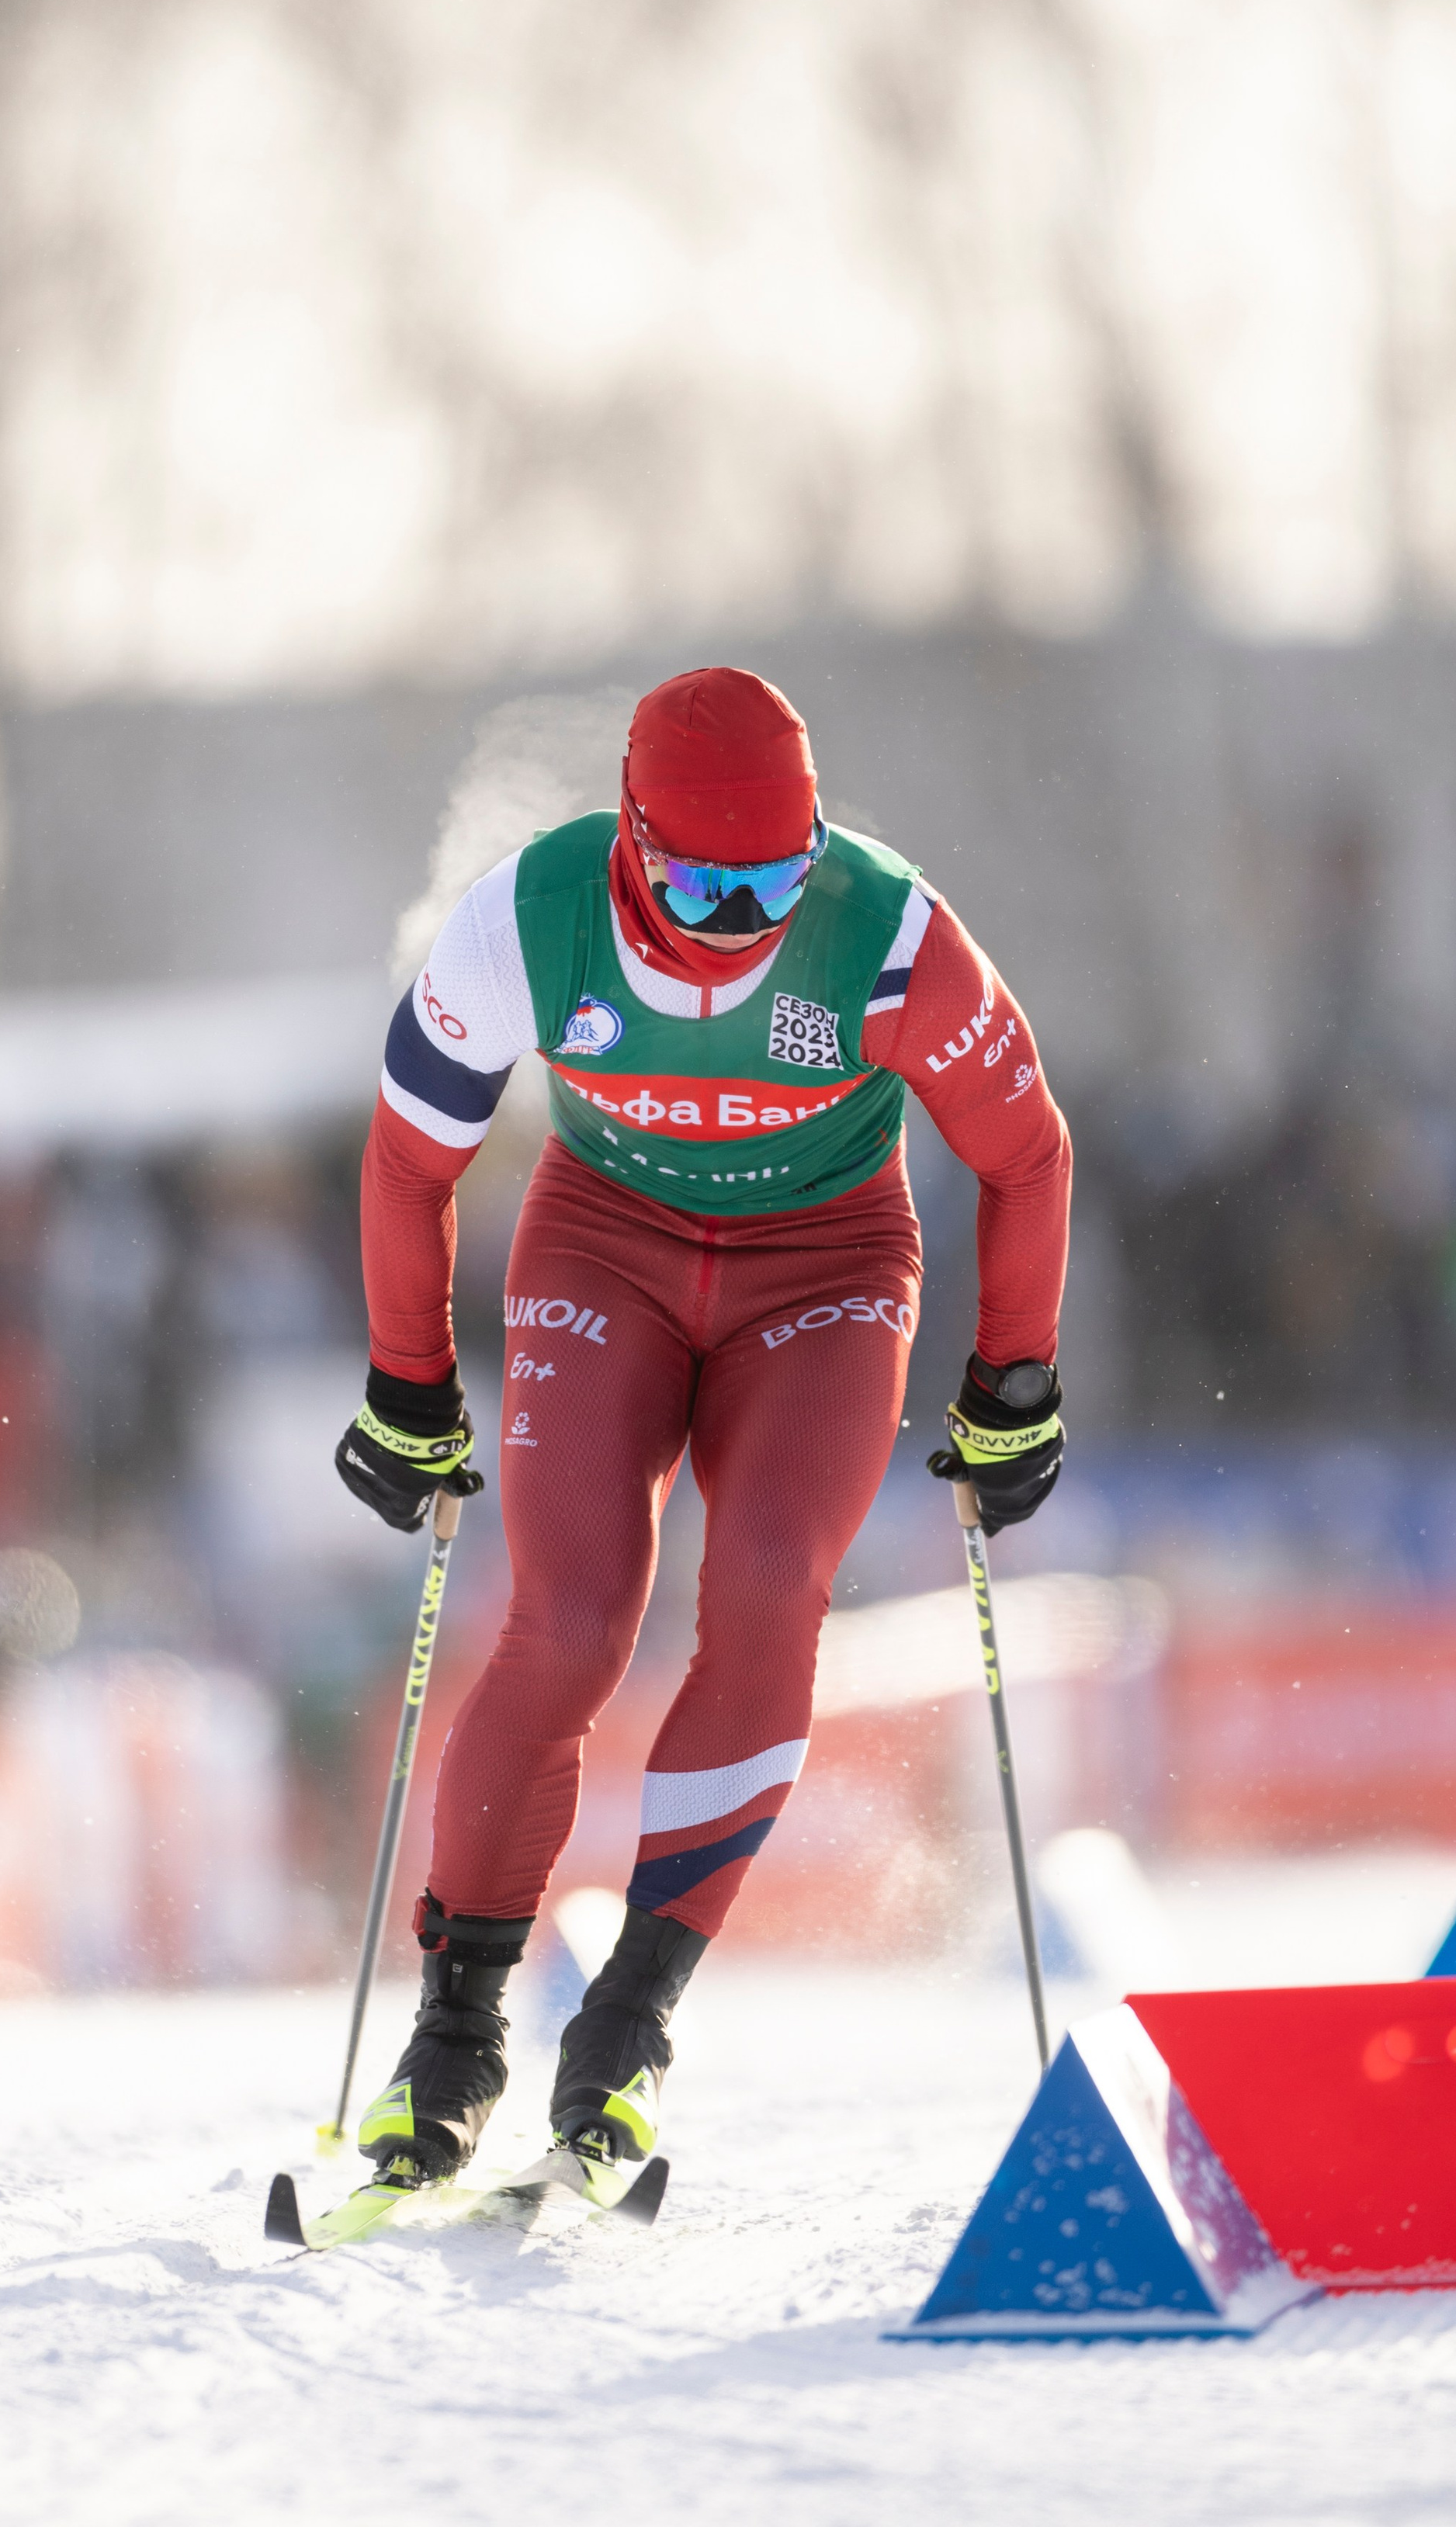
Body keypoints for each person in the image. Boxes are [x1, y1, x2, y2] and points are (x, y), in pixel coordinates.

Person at [334, 666, 1070, 2187]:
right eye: (703, 884)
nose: (743, 921)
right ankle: (452, 2038)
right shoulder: (522, 923)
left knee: (764, 1593)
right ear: (630, 843)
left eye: (774, 881)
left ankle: (629, 2023)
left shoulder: (889, 938)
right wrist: (407, 1384)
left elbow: (1027, 1156)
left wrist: (1015, 1380)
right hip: (602, 1250)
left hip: (825, 1268)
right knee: (572, 1622)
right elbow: (408, 1164)